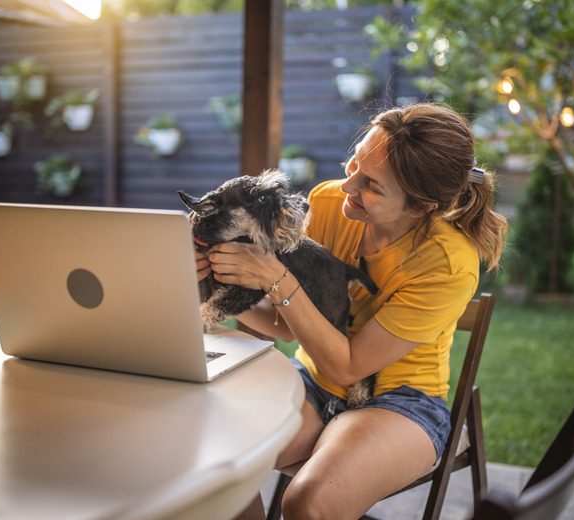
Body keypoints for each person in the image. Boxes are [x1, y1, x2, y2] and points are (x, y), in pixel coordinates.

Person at [194, 102, 507, 519]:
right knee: (213, 468)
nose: (347, 187)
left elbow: (348, 368)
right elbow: (286, 328)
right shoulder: (326, 204)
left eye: (372, 185)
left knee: (309, 502)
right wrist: (218, 283)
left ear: (423, 206)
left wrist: (276, 279)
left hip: (400, 403)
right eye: (354, 162)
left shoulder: (447, 263)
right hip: (310, 383)